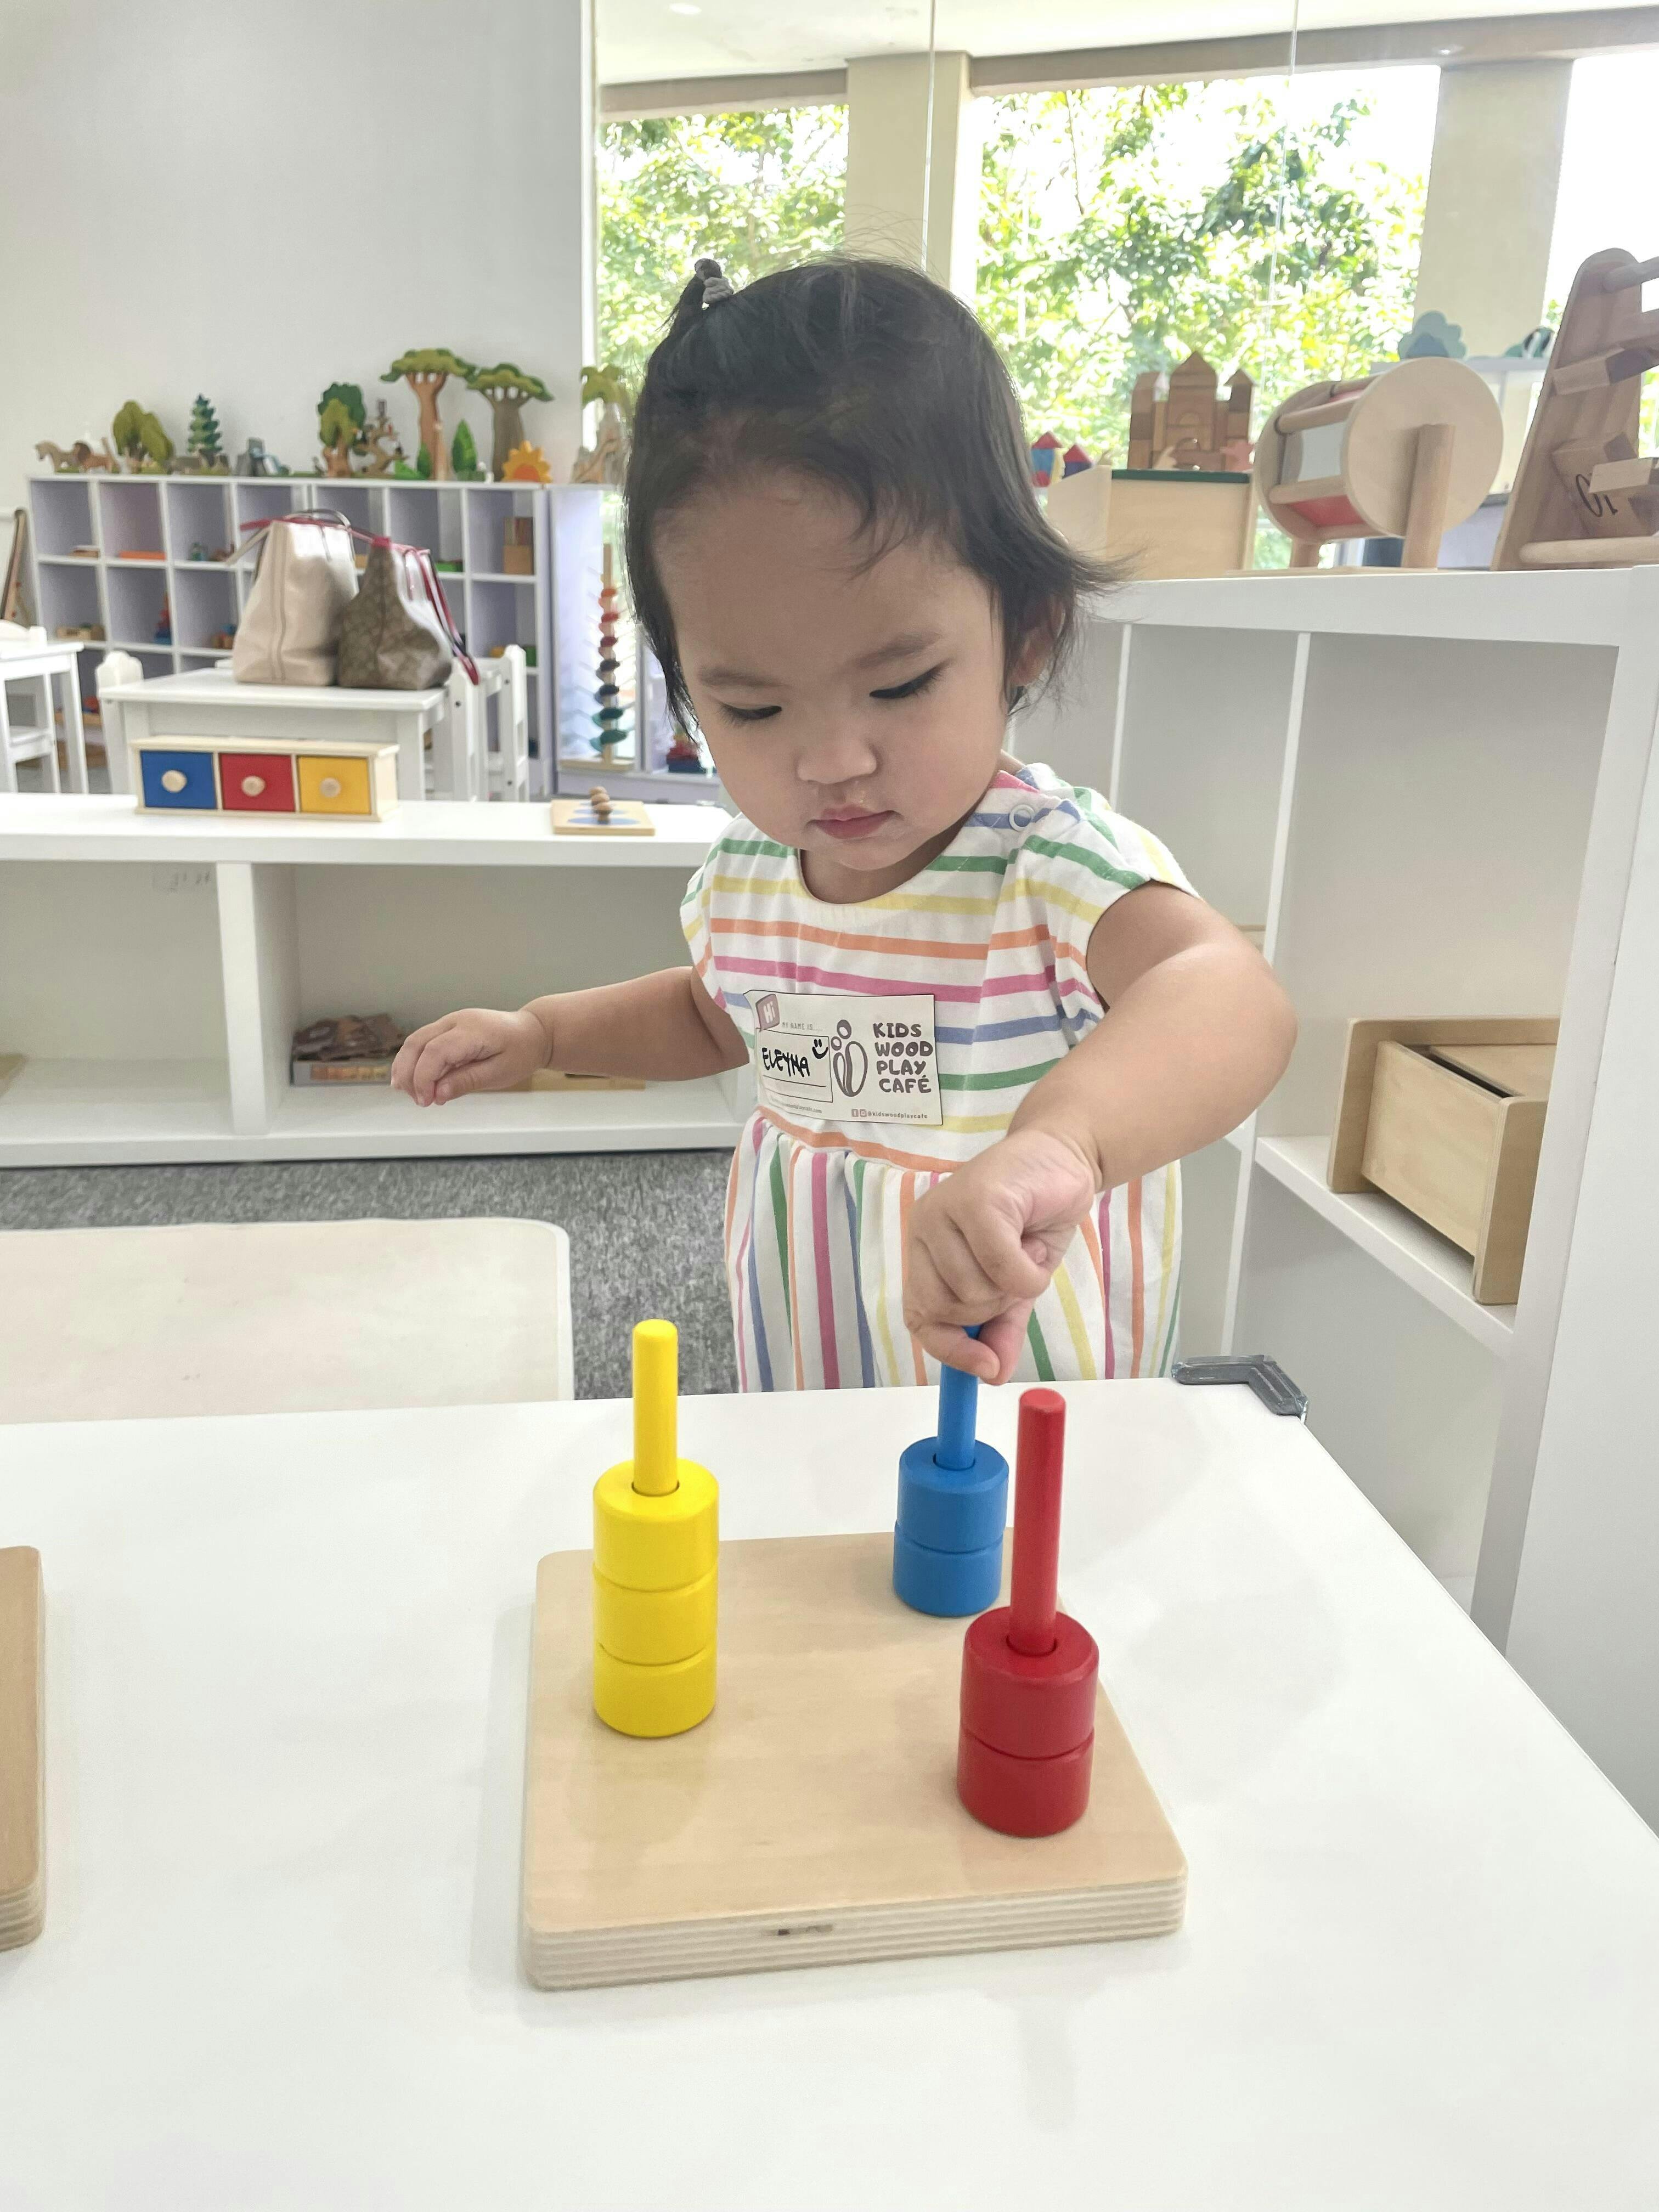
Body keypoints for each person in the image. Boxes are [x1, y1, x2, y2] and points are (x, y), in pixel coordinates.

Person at [392, 257, 1295, 1390]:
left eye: (900, 684)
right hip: (811, 1345)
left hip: (1028, 1386)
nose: (831, 762)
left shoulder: (1051, 867)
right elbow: (714, 1015)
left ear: (1023, 634)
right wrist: (545, 1034)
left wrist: (1061, 1143)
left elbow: (1230, 997)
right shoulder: (753, 872)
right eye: (752, 707)